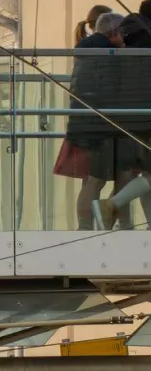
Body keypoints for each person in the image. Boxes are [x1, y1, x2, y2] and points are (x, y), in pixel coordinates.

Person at [64, 12, 127, 229]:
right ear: (114, 33)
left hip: (83, 123)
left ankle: (86, 226)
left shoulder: (87, 50)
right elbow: (114, 90)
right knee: (97, 179)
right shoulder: (107, 54)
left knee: (94, 179)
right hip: (101, 126)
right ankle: (90, 226)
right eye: (123, 33)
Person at [90, 13, 151, 227]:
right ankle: (113, 204)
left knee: (148, 176)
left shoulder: (124, 55)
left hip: (131, 124)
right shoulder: (143, 54)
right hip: (144, 122)